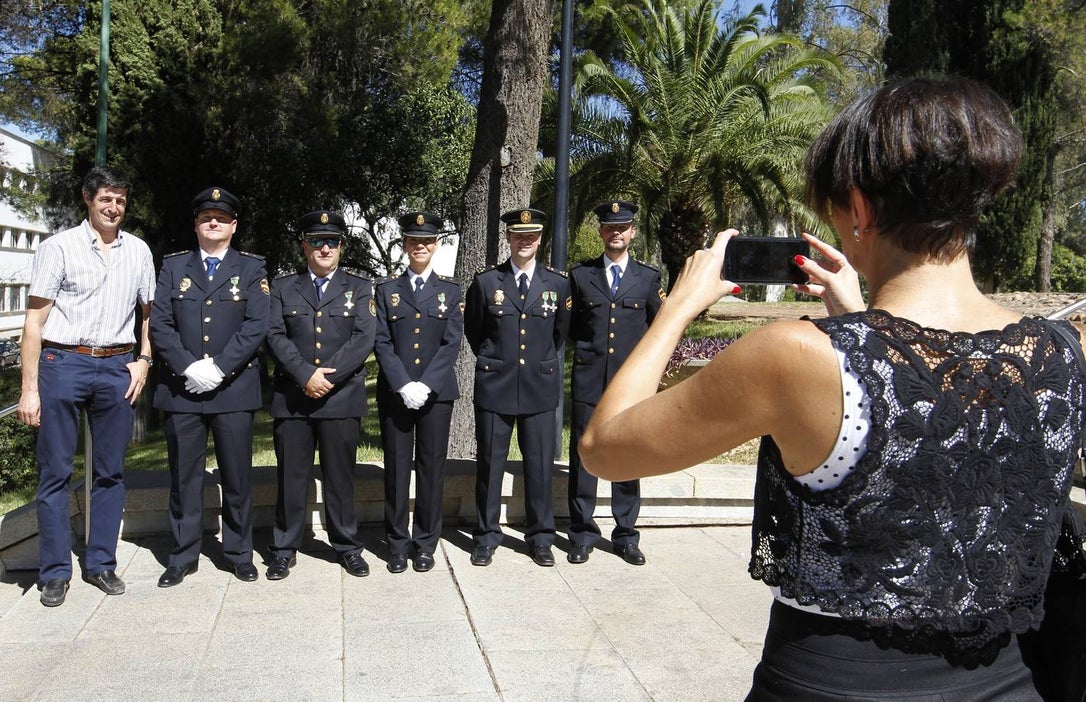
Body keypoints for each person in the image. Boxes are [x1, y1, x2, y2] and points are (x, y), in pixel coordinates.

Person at [579, 75, 1086, 699]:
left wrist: (676, 308)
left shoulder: (796, 355)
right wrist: (862, 321)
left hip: (834, 684)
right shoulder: (1061, 350)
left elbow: (606, 446)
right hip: (1010, 682)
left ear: (862, 209)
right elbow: (930, 436)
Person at [17, 166, 156, 607]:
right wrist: (29, 389)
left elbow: (147, 314)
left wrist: (143, 361)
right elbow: (34, 323)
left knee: (110, 472)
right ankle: (55, 572)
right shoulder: (58, 248)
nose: (113, 207)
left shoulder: (138, 251)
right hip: (63, 363)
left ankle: (101, 564)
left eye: (120, 200)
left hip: (116, 366)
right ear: (87, 199)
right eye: (105, 199)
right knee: (56, 472)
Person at [150, 187, 269, 587]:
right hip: (183, 390)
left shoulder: (252, 269)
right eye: (205, 217)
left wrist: (219, 367)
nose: (213, 222)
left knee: (237, 477)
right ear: (195, 224)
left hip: (232, 389)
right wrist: (188, 367)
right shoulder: (173, 267)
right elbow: (159, 324)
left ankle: (238, 553)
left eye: (221, 217)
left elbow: (257, 325)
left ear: (233, 226)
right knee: (184, 478)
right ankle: (182, 555)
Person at [266, 210, 376, 579]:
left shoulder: (360, 288)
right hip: (293, 398)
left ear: (341, 247)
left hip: (340, 396)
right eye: (317, 241)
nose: (324, 247)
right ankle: (284, 548)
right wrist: (304, 374)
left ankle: (347, 546)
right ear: (304, 246)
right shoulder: (282, 288)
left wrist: (327, 377)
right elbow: (274, 335)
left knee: (340, 477)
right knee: (290, 477)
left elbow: (364, 338)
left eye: (332, 241)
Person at [464, 207, 571, 567]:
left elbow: (560, 334)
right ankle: (486, 536)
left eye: (532, 235)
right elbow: (474, 331)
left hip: (539, 387)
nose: (525, 241)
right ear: (508, 238)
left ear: (540, 239)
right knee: (490, 465)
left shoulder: (557, 284)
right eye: (518, 235)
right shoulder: (486, 282)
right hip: (496, 385)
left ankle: (540, 537)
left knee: (540, 467)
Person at [566, 200, 663, 566]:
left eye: (623, 227)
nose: (616, 232)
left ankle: (625, 535)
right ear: (601, 231)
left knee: (629, 454)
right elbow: (573, 329)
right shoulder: (580, 276)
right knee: (583, 455)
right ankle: (582, 532)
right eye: (610, 227)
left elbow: (659, 329)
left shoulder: (648, 278)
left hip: (630, 385)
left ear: (633, 232)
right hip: (590, 379)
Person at [373, 211, 463, 573]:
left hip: (436, 394)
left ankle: (425, 543)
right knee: (395, 468)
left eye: (426, 241)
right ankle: (396, 543)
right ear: (405, 246)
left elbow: (451, 342)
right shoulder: (386, 290)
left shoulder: (450, 290)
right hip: (396, 393)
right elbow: (380, 341)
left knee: (431, 467)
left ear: (436, 245)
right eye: (413, 241)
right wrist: (403, 384)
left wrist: (425, 384)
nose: (420, 246)